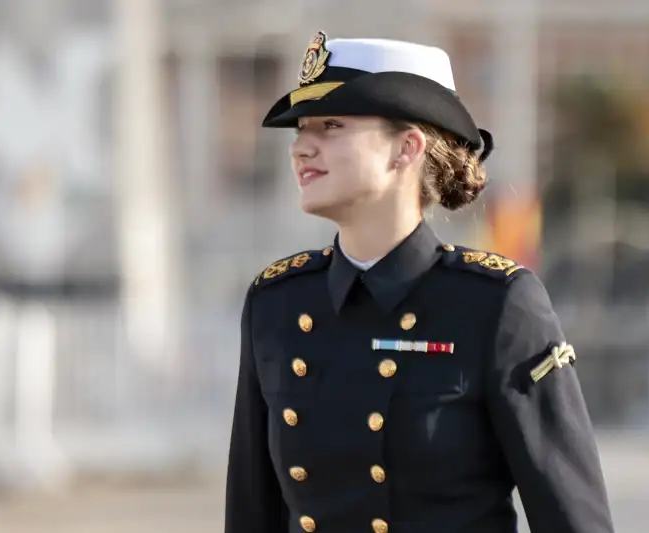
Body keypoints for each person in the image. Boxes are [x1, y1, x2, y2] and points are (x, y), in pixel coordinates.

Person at [225, 31, 614, 533]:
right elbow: (250, 513)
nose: (301, 148)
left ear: (406, 148)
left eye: (331, 126)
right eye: (301, 130)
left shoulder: (496, 304)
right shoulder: (276, 302)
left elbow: (572, 518)